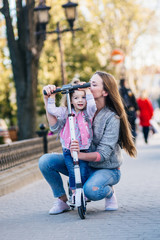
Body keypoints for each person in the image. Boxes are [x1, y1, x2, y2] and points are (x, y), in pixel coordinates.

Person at [39, 71, 136, 215]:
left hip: (106, 168)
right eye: (87, 82)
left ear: (105, 92)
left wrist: (78, 155)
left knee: (90, 191)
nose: (86, 86)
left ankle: (108, 191)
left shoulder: (111, 117)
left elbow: (102, 155)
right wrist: (47, 99)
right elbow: (54, 127)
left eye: (92, 84)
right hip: (83, 163)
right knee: (45, 161)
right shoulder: (77, 109)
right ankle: (62, 200)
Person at [46, 80, 97, 203]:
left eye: (83, 97)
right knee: (73, 171)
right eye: (76, 98)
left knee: (83, 171)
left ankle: (83, 192)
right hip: (69, 149)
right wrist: (52, 96)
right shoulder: (66, 112)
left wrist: (87, 90)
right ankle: (74, 193)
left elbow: (92, 106)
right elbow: (52, 110)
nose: (80, 100)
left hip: (84, 148)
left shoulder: (87, 113)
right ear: (70, 100)